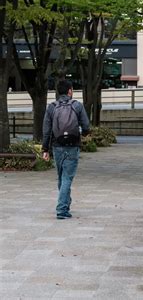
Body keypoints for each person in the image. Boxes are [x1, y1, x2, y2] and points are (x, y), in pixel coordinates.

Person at [42, 80, 90, 219]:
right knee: (67, 178)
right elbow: (86, 126)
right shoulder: (77, 106)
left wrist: (45, 149)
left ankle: (65, 204)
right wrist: (85, 134)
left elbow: (46, 131)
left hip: (57, 146)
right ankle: (62, 209)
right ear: (70, 91)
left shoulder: (51, 107)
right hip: (73, 146)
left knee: (62, 177)